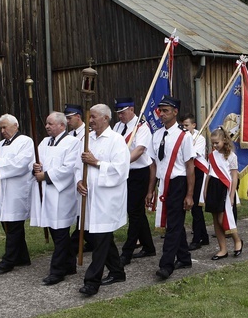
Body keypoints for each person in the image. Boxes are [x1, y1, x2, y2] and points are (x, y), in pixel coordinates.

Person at [76, 104, 130, 296]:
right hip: (91, 197)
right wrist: (79, 181)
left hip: (108, 199)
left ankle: (92, 282)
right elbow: (78, 164)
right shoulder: (87, 139)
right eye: (89, 117)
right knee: (100, 236)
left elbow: (121, 169)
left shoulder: (116, 140)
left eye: (94, 117)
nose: (90, 121)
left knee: (100, 239)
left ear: (106, 119)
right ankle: (117, 271)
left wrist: (96, 162)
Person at [145, 96, 195, 280]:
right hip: (162, 183)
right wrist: (151, 190)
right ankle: (184, 257)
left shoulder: (184, 136)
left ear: (175, 112)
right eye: (160, 110)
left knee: (172, 224)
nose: (162, 114)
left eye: (166, 110)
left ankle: (166, 265)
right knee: (175, 223)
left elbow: (190, 166)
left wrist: (189, 194)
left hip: (178, 182)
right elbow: (153, 165)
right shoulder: (156, 135)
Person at [30, 112, 81, 285]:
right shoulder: (44, 142)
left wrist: (46, 175)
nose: (47, 126)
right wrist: (35, 167)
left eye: (50, 123)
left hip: (61, 194)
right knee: (56, 232)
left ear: (61, 125)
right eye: (46, 123)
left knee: (60, 233)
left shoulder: (73, 143)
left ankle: (57, 271)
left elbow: (69, 168)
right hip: (46, 194)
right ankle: (69, 264)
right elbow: (36, 162)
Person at [0, 114, 34, 274]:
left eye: (5, 127)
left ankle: (8, 260)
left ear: (15, 125)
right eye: (0, 128)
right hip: (2, 190)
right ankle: (22, 256)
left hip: (16, 190)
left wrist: (0, 164)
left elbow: (22, 163)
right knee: (7, 223)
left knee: (14, 225)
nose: (2, 131)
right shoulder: (1, 144)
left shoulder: (25, 142)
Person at [112, 97, 156, 265]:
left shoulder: (141, 127)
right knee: (136, 211)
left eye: (123, 113)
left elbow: (139, 150)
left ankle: (127, 252)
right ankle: (149, 246)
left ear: (131, 109)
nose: (120, 116)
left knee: (134, 212)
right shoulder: (117, 127)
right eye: (118, 114)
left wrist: (121, 164)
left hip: (139, 172)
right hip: (124, 172)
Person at [203, 127, 243, 260]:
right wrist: (204, 190)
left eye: (217, 143)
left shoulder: (232, 156)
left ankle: (237, 240)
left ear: (224, 140)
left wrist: (232, 195)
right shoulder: (211, 156)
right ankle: (222, 249)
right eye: (212, 143)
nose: (214, 146)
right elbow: (208, 174)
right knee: (215, 219)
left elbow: (234, 176)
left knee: (222, 219)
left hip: (224, 188)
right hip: (213, 187)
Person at [65, 104, 93, 255]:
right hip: (72, 176)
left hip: (85, 175)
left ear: (78, 116)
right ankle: (87, 237)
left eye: (69, 118)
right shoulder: (69, 136)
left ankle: (78, 240)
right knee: (77, 210)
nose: (68, 121)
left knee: (84, 210)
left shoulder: (89, 133)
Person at [181, 114, 210, 251]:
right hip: (188, 172)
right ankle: (204, 236)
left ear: (194, 125)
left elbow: (193, 155)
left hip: (198, 172)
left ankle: (197, 239)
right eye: (183, 126)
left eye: (187, 125)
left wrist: (188, 145)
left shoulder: (200, 138)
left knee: (196, 206)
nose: (184, 128)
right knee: (193, 207)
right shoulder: (182, 136)